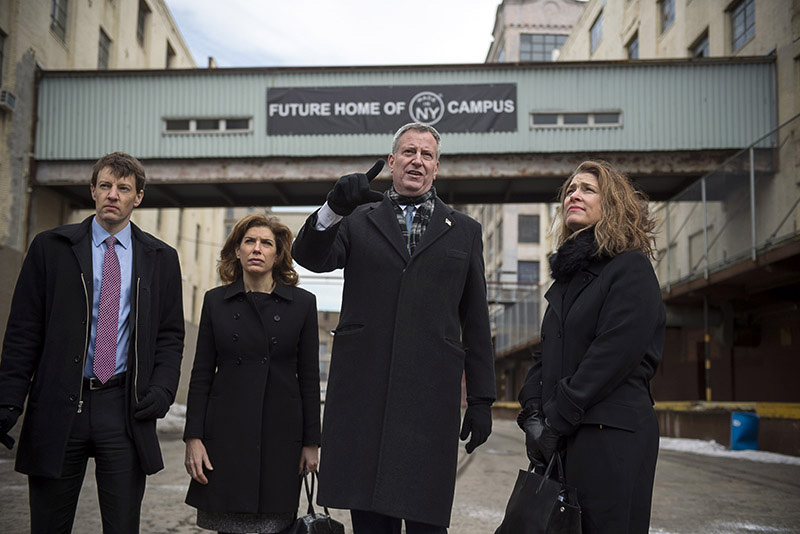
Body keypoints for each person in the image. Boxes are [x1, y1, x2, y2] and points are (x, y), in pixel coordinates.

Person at [292, 122, 495, 534]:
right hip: (366, 402)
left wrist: (482, 398)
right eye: (408, 152)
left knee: (426, 522)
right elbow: (308, 257)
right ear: (391, 162)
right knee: (371, 523)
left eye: (426, 155)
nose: (416, 160)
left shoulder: (466, 232)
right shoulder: (357, 220)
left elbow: (475, 319)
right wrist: (332, 208)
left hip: (428, 405)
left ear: (436, 168)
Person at [0, 152, 185, 533]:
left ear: (139, 197)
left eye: (122, 188)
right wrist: (8, 400)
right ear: (92, 191)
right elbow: (23, 331)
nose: (112, 195)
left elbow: (170, 335)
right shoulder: (51, 248)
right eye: (104, 186)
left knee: (121, 526)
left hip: (122, 410)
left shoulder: (161, 258)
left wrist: (163, 390)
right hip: (58, 406)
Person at [517, 160, 666, 534]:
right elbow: (545, 354)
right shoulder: (569, 281)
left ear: (612, 204)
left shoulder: (630, 269)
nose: (574, 195)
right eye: (570, 189)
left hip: (611, 437)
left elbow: (613, 353)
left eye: (587, 189)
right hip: (568, 433)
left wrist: (556, 419)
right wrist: (533, 412)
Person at [183, 214, 320, 534]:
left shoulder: (302, 304)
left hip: (280, 438)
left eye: (266, 243)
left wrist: (312, 442)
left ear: (278, 254)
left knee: (275, 524)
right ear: (237, 251)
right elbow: (201, 372)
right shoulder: (215, 301)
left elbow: (309, 377)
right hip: (226, 438)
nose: (257, 248)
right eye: (249, 241)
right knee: (228, 525)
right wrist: (193, 437)